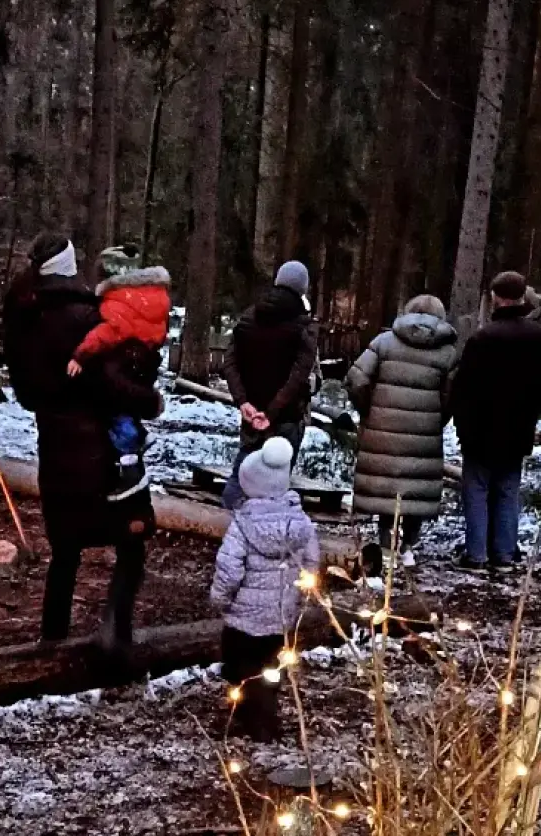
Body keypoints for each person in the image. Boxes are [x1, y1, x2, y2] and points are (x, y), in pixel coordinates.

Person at [2, 235, 161, 658]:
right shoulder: (86, 319)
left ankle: (52, 641)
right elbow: (111, 384)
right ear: (71, 266)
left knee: (65, 552)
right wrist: (149, 399)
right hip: (99, 457)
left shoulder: (25, 318)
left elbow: (27, 391)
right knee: (132, 538)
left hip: (54, 451)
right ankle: (117, 630)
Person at [208, 437, 320, 743]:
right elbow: (311, 562)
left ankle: (245, 717)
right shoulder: (301, 522)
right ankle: (266, 719)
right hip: (280, 617)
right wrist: (300, 597)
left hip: (243, 620)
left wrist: (219, 598)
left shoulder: (243, 525)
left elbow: (230, 569)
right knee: (271, 669)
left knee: (239, 667)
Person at [451, 271, 541, 570]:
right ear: (523, 295)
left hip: (480, 430)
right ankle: (504, 553)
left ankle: (476, 554)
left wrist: (463, 423)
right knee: (508, 491)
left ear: (496, 298)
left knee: (476, 490)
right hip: (518, 429)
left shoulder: (483, 339)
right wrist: (528, 412)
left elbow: (463, 388)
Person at [344, 295, 457, 552]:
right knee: (415, 487)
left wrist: (368, 411)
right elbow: (452, 396)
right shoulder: (448, 354)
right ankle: (408, 546)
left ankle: (385, 542)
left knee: (385, 485)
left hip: (381, 430)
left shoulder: (383, 343)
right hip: (424, 434)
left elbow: (356, 380)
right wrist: (438, 419)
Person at [66, 245, 171, 500]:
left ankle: (130, 464)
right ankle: (140, 437)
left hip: (123, 363)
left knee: (114, 409)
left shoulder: (117, 302)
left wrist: (81, 354)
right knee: (126, 405)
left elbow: (108, 331)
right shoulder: (151, 296)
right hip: (143, 361)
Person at [221, 261, 319, 510]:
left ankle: (229, 529)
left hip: (252, 413)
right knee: (277, 482)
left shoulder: (248, 317)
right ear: (303, 289)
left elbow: (230, 362)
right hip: (286, 416)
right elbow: (299, 376)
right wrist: (273, 411)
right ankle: (267, 537)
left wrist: (243, 402)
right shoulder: (304, 326)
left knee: (241, 474)